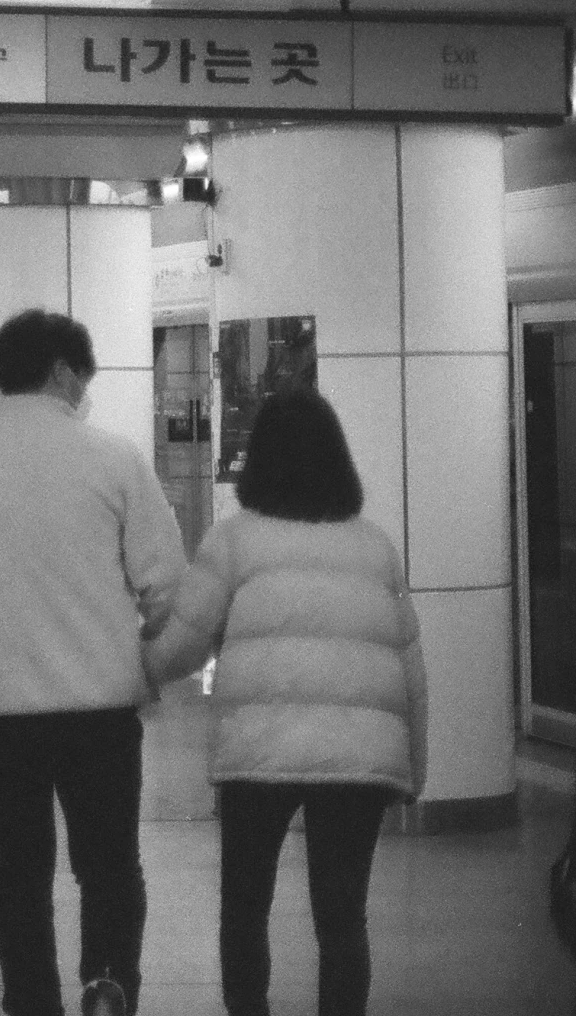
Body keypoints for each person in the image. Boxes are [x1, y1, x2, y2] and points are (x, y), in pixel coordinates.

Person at [0, 309, 186, 1016]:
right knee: (107, 864)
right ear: (64, 372)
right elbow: (163, 576)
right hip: (98, 703)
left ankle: (30, 1002)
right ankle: (106, 985)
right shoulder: (115, 457)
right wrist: (140, 639)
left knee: (18, 867)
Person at [141, 389, 426, 1016]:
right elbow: (411, 667)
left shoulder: (233, 542)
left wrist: (136, 673)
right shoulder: (374, 546)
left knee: (245, 907)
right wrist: (413, 768)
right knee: (343, 915)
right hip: (358, 761)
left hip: (257, 756)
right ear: (338, 461)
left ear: (260, 461)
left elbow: (183, 647)